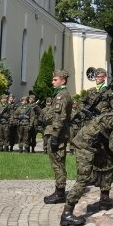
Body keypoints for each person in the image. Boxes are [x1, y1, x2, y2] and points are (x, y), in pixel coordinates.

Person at [60, 96, 113, 226]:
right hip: (85, 146)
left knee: (108, 162)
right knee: (83, 179)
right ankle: (67, 214)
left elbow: (109, 145)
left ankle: (104, 199)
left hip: (96, 145)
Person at [43, 70, 73, 204]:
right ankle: (59, 191)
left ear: (63, 80)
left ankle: (60, 193)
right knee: (57, 162)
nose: (52, 82)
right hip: (57, 133)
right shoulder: (59, 94)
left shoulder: (62, 95)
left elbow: (60, 118)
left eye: (55, 79)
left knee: (58, 163)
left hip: (58, 134)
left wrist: (54, 136)